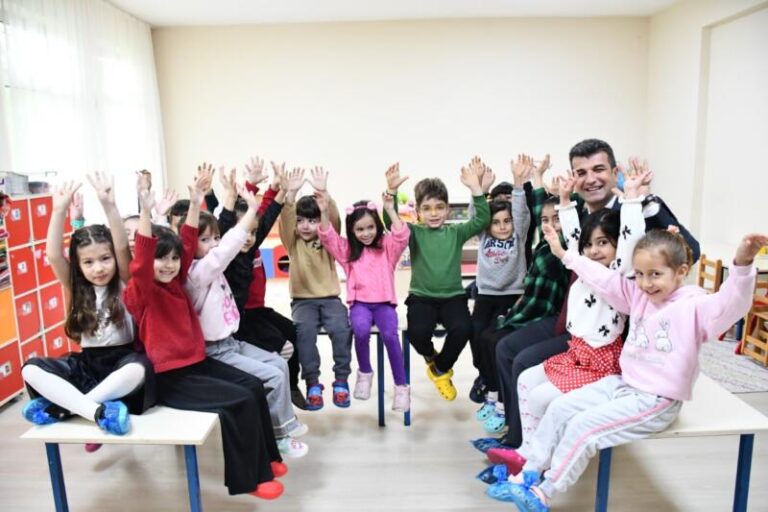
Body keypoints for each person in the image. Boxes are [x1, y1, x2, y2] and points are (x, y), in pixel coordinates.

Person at [487, 226, 764, 511]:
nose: (646, 283)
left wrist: (742, 264)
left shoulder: (694, 307)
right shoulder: (638, 295)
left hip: (656, 400)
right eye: (640, 274)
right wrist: (565, 255)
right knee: (559, 408)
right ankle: (528, 473)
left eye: (655, 274)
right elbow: (603, 279)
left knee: (583, 428)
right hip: (623, 384)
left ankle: (545, 491)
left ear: (681, 271)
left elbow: (731, 305)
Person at [493, 139, 702, 448]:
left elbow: (689, 250)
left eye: (599, 169)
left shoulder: (631, 211)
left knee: (524, 361)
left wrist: (640, 199)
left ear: (615, 173)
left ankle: (523, 446)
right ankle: (517, 434)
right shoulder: (576, 212)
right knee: (505, 346)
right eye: (582, 172)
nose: (591, 179)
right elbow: (554, 233)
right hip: (574, 317)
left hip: (610, 334)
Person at [123, 168, 285, 499]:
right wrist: (145, 210)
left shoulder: (178, 281)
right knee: (239, 401)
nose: (169, 265)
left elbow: (186, 241)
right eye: (161, 260)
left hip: (197, 363)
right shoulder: (143, 291)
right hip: (171, 378)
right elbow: (142, 260)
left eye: (173, 260)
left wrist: (196, 202)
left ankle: (268, 459)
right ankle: (249, 481)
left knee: (254, 387)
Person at [486, 166, 648, 472]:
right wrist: (564, 201)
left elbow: (630, 238)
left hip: (600, 364)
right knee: (526, 381)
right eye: (590, 244)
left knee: (540, 398)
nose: (594, 250)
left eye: (603, 243)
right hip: (576, 353)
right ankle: (525, 450)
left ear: (618, 247)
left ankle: (537, 462)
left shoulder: (619, 276)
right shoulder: (583, 265)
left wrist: (631, 200)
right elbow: (574, 240)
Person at [183, 166, 308, 458]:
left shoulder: (221, 262)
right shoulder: (198, 273)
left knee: (279, 365)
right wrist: (240, 201)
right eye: (205, 240)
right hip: (214, 350)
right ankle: (280, 436)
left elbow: (241, 231)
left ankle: (282, 425)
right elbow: (229, 237)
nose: (214, 245)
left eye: (216, 238)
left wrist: (272, 194)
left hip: (231, 341)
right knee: (274, 376)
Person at [21, 173, 154, 438]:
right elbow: (53, 255)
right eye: (89, 263)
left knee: (139, 368)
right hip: (86, 365)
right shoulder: (77, 287)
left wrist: (108, 204)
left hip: (121, 364)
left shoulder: (125, 282)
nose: (99, 268)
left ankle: (65, 409)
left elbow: (120, 245)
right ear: (79, 266)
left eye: (105, 259)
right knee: (30, 369)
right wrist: (58, 211)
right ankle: (96, 412)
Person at [385, 157, 490, 401]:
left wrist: (476, 189)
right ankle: (432, 357)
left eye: (439, 207)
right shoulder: (413, 232)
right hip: (421, 298)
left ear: (448, 209)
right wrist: (391, 191)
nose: (434, 213)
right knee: (417, 332)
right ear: (418, 212)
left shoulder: (456, 232)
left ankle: (440, 369)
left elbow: (482, 220)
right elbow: (389, 221)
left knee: (464, 329)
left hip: (453, 297)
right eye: (427, 208)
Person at [316, 163, 411, 411]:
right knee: (359, 330)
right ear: (352, 230)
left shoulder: (387, 247)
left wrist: (389, 208)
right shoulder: (347, 251)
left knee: (390, 335)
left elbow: (402, 235)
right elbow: (327, 237)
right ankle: (365, 374)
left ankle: (401, 387)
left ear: (377, 226)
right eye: (359, 229)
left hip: (384, 304)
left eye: (370, 227)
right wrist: (324, 210)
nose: (366, 233)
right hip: (360, 305)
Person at [222, 158, 306, 409]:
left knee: (293, 331)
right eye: (244, 232)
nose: (248, 238)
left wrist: (279, 190)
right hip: (241, 317)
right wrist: (239, 191)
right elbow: (228, 222)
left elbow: (266, 216)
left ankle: (291, 386)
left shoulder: (250, 246)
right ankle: (274, 392)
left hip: (257, 310)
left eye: (252, 233)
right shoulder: (227, 253)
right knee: (283, 347)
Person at [279, 167, 353, 410]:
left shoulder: (327, 239)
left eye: (312, 220)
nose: (305, 226)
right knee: (304, 335)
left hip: (331, 299)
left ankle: (341, 381)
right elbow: (286, 219)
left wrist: (325, 195)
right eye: (301, 221)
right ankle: (312, 383)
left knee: (341, 330)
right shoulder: (293, 242)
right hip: (302, 302)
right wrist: (290, 195)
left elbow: (334, 222)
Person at [468, 155, 531, 407]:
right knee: (475, 334)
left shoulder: (518, 236)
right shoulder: (483, 236)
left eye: (507, 221)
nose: (503, 227)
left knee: (492, 340)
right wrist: (478, 189)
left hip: (512, 296)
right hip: (486, 296)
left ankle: (496, 391)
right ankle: (486, 377)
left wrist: (518, 184)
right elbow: (476, 216)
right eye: (496, 223)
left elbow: (521, 213)